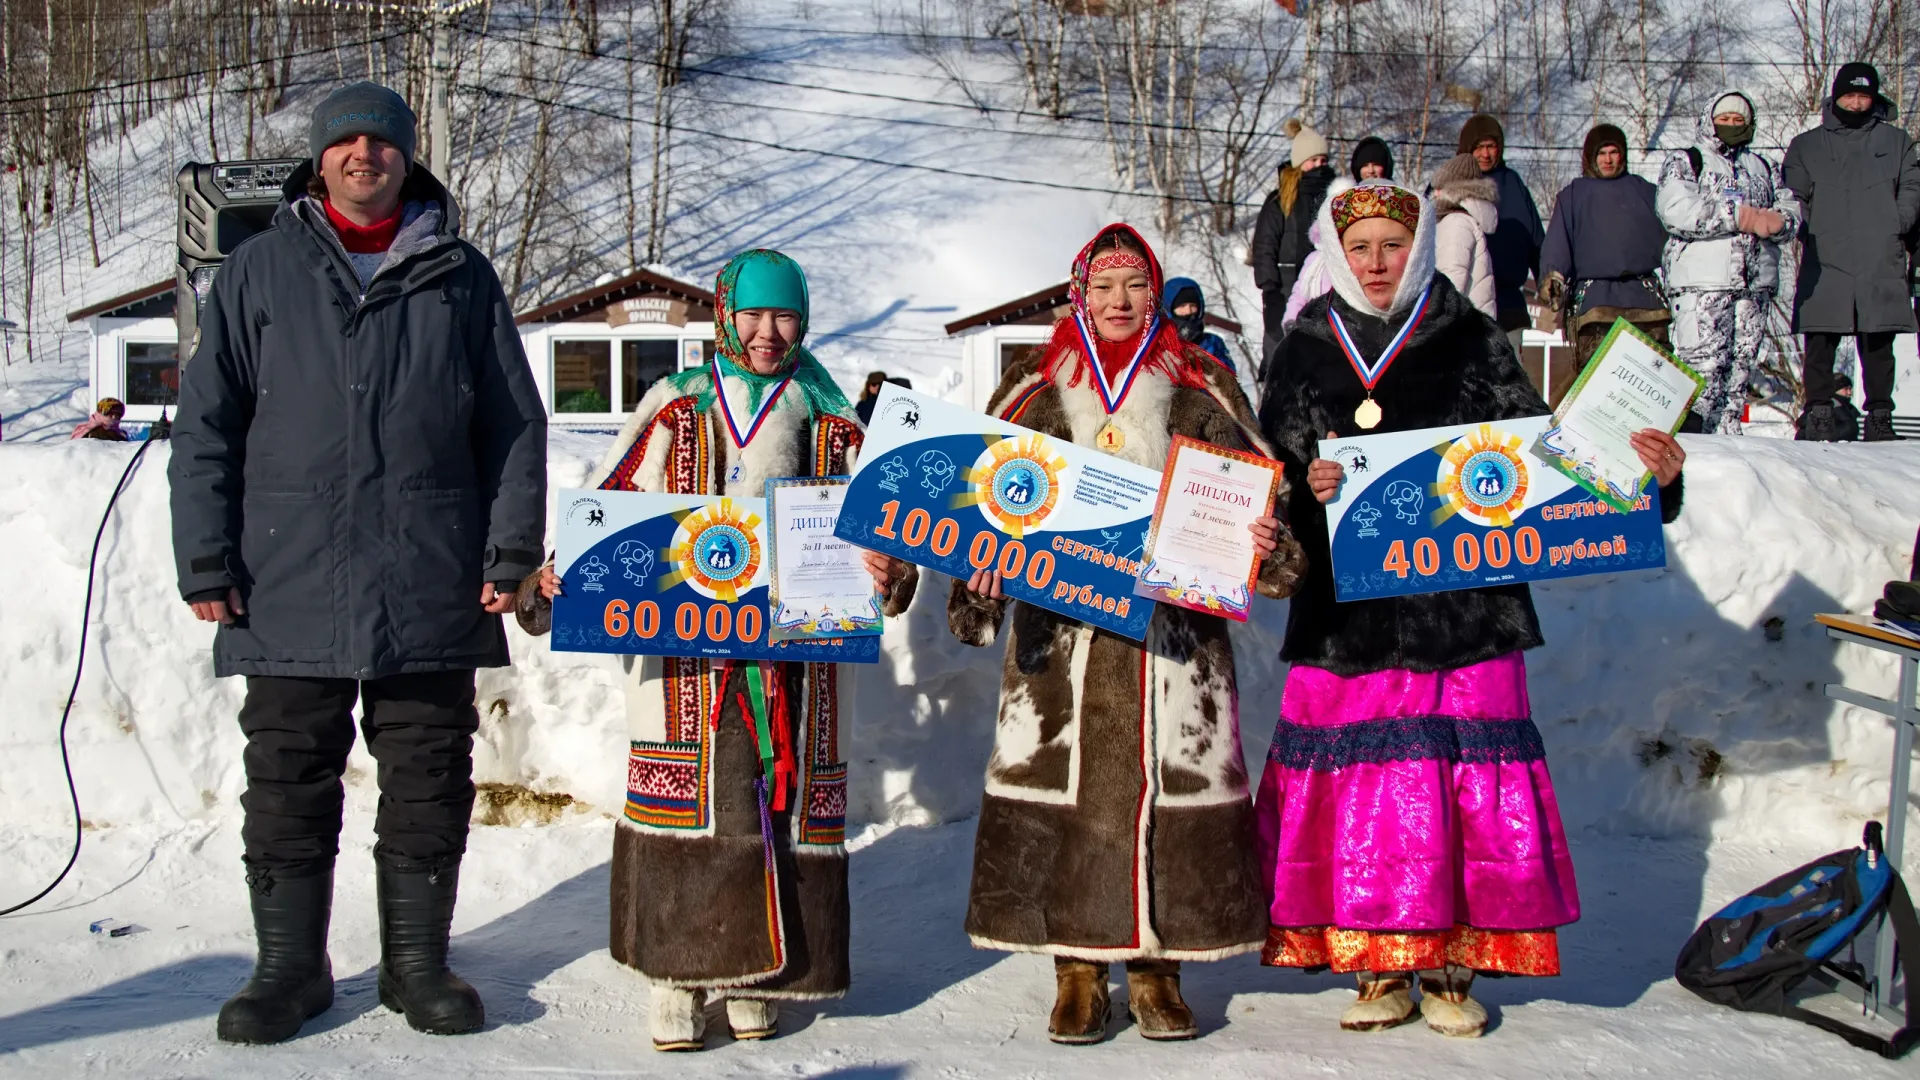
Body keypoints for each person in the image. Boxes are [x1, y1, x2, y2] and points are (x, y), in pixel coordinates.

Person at [1254, 180, 1687, 1037]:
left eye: (1392, 246)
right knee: (1365, 792)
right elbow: (1269, 488)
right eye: (1361, 248)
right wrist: (1306, 490)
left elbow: (1550, 468)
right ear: (1335, 256)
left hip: (1465, 613)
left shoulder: (1473, 338)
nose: (1377, 265)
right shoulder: (1302, 348)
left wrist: (1650, 479)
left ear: (1419, 249)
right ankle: (1377, 960)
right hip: (1348, 618)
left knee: (1460, 789)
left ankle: (1453, 964)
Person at [168, 81, 547, 1045]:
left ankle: (417, 963)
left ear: (406, 159)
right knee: (288, 771)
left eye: (382, 142)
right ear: (321, 158)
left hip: (432, 568)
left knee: (428, 769)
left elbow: (512, 425)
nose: (363, 155)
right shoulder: (258, 270)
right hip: (285, 569)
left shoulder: (461, 273)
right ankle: (289, 967)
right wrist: (206, 555)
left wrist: (510, 550)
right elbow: (208, 425)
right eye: (345, 142)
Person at [520, 249, 917, 1052]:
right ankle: (677, 976)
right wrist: (565, 572)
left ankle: (756, 975)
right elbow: (613, 499)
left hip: (795, 665)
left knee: (776, 803)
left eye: (786, 317)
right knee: (691, 804)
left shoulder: (830, 414)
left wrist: (887, 565)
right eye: (754, 315)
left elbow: (882, 533)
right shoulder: (675, 406)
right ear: (723, 314)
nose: (768, 333)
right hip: (684, 666)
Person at [948, 223, 1305, 1045]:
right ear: (1080, 295)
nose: (1118, 302)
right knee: (1069, 797)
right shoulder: (1031, 392)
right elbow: (975, 506)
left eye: (1135, 286)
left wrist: (1265, 542)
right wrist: (978, 575)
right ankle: (1076, 968)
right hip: (1060, 645)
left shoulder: (1200, 384)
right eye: (1103, 287)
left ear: (1156, 295)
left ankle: (1157, 969)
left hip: (1175, 643)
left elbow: (1262, 491)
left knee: (1164, 791)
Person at [1785, 62, 1920, 442]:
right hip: (1824, 256)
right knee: (1820, 338)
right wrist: (1813, 230)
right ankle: (1819, 415)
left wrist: (1897, 221)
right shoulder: (1807, 145)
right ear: (1836, 95)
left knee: (1878, 341)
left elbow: (1913, 186)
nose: (1857, 102)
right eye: (1850, 94)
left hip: (1880, 254)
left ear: (1874, 98)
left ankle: (1880, 418)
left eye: (1864, 95)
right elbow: (1793, 196)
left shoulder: (1897, 142)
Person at [1656, 89, 1800, 434]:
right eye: (1725, 119)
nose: (1732, 125)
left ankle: (1729, 444)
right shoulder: (1687, 161)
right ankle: (1694, 444)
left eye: (1739, 120)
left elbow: (1790, 206)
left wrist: (1780, 221)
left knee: (1739, 371)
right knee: (1702, 370)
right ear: (1710, 120)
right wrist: (1741, 217)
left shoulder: (1764, 167)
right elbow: (1677, 210)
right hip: (1702, 284)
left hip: (1753, 286)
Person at [1540, 124, 1671, 397]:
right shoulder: (1572, 196)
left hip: (1644, 300)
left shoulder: (1647, 193)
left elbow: (1674, 241)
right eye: (1602, 153)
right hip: (1595, 304)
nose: (1608, 160)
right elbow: (1557, 242)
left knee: (1650, 386)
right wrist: (1554, 275)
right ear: (1590, 157)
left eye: (1614, 152)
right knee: (1598, 388)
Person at [1254, 122, 1336, 378]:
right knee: (1281, 351)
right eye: (1312, 160)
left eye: (1323, 159)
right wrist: (1271, 289)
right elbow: (1264, 245)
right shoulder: (1280, 201)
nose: (1319, 165)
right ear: (1299, 163)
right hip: (1284, 286)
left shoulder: (1334, 197)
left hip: (1322, 284)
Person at [1458, 114, 1545, 352]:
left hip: (1508, 304)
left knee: (1509, 383)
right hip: (1463, 305)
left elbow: (1536, 239)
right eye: (1479, 147)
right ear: (1468, 149)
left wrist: (1546, 279)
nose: (1486, 154)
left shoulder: (1513, 184)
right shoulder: (1452, 183)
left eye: (1491, 147)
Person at [1429, 155, 1499, 319]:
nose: (1435, 193)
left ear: (1454, 190)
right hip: (1473, 328)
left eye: (1440, 187)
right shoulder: (1466, 221)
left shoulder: (1456, 223)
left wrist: (1433, 322)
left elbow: (1451, 279)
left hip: (1458, 332)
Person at [1163, 275, 1235, 372]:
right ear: (1169, 309)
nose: (1188, 311)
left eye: (1192, 305)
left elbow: (1229, 379)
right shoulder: (1159, 344)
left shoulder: (1213, 342)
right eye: (1182, 306)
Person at [1833, 373, 1863, 441]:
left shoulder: (1850, 408)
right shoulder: (1831, 407)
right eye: (1846, 389)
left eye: (1850, 389)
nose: (1850, 393)